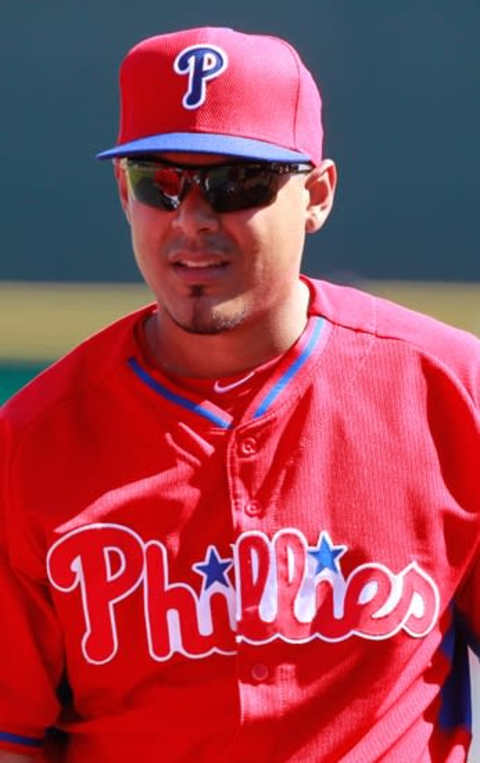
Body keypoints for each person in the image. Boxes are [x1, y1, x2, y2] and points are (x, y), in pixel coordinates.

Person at [1, 25, 480, 763]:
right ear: (122, 195)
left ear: (316, 194)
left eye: (237, 183)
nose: (192, 219)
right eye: (158, 183)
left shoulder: (452, 392)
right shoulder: (28, 444)